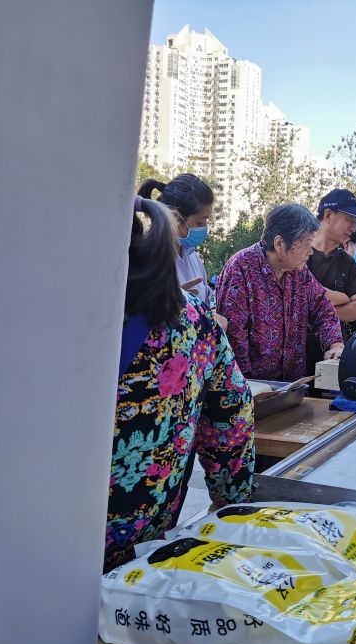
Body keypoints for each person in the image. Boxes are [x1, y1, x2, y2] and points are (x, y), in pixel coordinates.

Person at [106, 199, 255, 573]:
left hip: (27, 540)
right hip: (139, 555)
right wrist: (230, 502)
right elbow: (231, 417)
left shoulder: (37, 309)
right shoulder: (192, 317)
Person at [216, 204, 344, 382]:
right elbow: (234, 337)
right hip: (252, 388)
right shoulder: (240, 268)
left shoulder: (299, 272)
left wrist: (335, 344)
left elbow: (321, 306)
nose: (310, 251)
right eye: (307, 244)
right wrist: (248, 387)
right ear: (280, 244)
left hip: (291, 385)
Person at [306, 190, 356, 374]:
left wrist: (311, 314)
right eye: (349, 219)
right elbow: (296, 295)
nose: (354, 228)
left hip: (333, 355)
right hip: (292, 354)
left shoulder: (347, 262)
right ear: (328, 215)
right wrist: (343, 298)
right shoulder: (297, 253)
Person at [138, 174, 214, 305]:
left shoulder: (193, 257)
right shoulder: (146, 258)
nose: (205, 228)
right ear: (175, 217)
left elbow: (205, 305)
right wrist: (170, 301)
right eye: (200, 222)